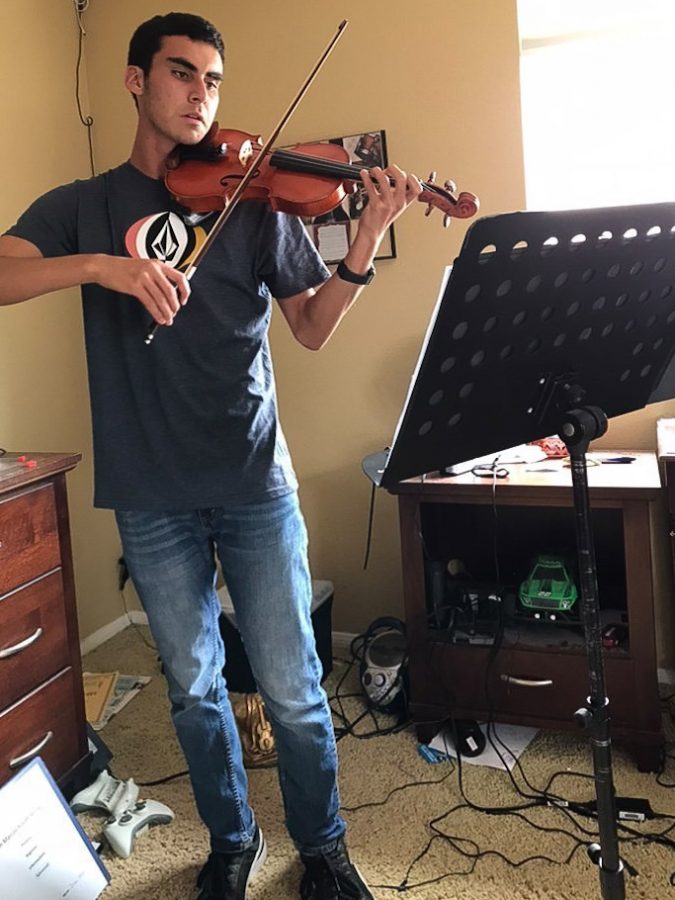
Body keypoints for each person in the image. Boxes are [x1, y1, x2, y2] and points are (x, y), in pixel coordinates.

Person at [0, 12, 421, 900]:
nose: (201, 95)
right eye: (183, 73)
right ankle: (231, 840)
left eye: (214, 81)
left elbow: (308, 330)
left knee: (296, 693)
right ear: (135, 80)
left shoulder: (257, 201)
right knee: (193, 693)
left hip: (254, 481)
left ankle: (325, 846)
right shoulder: (84, 205)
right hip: (150, 494)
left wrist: (367, 239)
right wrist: (98, 269)